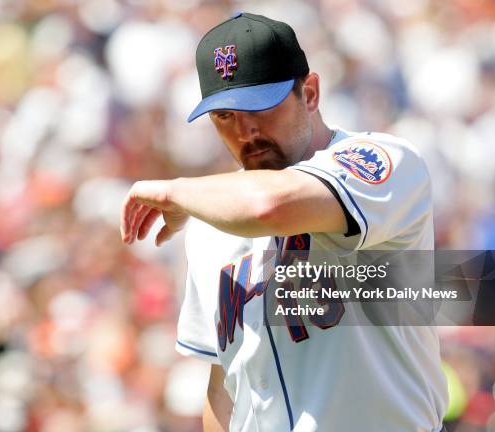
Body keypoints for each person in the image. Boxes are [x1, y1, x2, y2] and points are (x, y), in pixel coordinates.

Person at [120, 12, 447, 432]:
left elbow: (267, 207)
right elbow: (224, 385)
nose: (247, 129)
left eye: (260, 106)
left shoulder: (384, 162)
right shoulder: (209, 221)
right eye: (225, 116)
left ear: (309, 93)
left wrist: (176, 191)